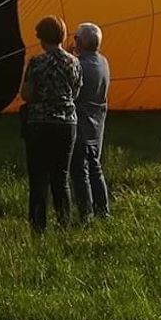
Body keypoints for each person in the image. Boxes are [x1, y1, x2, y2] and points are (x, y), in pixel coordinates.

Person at [19, 16, 80, 234]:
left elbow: (26, 94)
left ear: (42, 38)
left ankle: (38, 228)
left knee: (38, 178)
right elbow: (75, 92)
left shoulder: (36, 62)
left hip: (40, 124)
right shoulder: (74, 62)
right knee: (61, 177)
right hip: (66, 124)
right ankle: (64, 225)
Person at [69, 22, 111, 222]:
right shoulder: (103, 62)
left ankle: (86, 215)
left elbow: (71, 91)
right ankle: (103, 210)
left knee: (80, 170)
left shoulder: (78, 65)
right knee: (95, 167)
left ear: (79, 41)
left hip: (81, 123)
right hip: (97, 122)